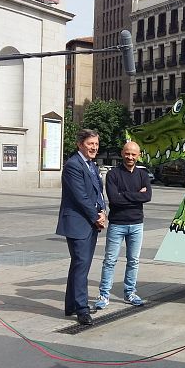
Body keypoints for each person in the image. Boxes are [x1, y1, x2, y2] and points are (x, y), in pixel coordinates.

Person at [57, 129, 107, 326]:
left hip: (90, 222)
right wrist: (96, 217)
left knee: (79, 265)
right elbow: (81, 197)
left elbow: (98, 192)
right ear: (80, 144)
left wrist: (103, 211)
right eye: (90, 144)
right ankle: (82, 309)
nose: (94, 147)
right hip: (78, 223)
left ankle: (71, 305)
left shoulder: (91, 164)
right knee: (81, 264)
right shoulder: (73, 165)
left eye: (96, 144)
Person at [95, 141, 152, 309]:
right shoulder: (113, 174)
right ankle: (104, 295)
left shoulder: (143, 174)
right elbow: (114, 199)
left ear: (138, 156)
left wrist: (124, 195)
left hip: (136, 224)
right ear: (122, 153)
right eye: (127, 153)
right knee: (110, 260)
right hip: (117, 224)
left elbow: (147, 196)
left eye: (133, 154)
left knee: (133, 261)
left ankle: (130, 293)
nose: (130, 157)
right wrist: (136, 195)